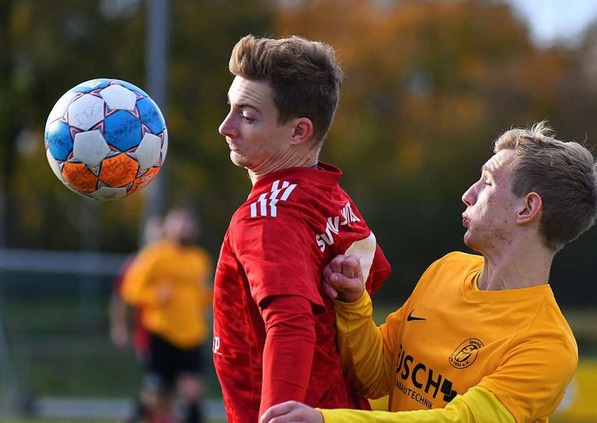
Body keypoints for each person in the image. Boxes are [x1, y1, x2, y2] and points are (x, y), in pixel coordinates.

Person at [260, 122, 597, 423]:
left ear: (527, 208)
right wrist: (354, 305)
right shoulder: (447, 269)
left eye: (486, 183)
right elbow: (378, 376)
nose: (467, 194)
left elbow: (456, 420)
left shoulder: (547, 345)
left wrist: (325, 420)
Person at [213, 34, 392, 423]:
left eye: (247, 116)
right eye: (230, 108)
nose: (225, 127)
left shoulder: (265, 215)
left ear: (298, 132)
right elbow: (374, 270)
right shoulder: (330, 194)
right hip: (338, 406)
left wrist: (278, 412)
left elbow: (290, 322)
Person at [121, 209, 213, 423]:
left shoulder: (200, 259)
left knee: (193, 391)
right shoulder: (155, 256)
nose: (184, 228)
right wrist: (155, 295)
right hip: (163, 333)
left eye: (188, 223)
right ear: (168, 228)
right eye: (179, 223)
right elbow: (130, 290)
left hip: (192, 334)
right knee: (158, 394)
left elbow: (201, 295)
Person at [109, 216, 163, 423]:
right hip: (147, 333)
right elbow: (121, 298)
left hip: (169, 334)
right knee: (154, 387)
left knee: (165, 390)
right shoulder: (137, 263)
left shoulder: (172, 262)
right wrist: (119, 327)